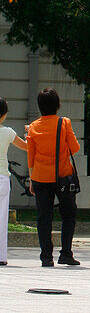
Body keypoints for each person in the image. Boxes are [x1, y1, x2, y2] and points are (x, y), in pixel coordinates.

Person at [26, 88, 81, 267]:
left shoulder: (33, 127)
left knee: (44, 217)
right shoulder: (64, 123)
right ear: (57, 105)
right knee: (69, 214)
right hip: (62, 176)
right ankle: (65, 253)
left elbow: (30, 156)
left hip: (41, 177)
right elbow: (75, 148)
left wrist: (31, 179)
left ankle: (46, 256)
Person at [0, 97, 27, 266]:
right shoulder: (8, 132)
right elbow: (26, 147)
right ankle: (1, 256)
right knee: (2, 218)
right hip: (2, 178)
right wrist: (30, 134)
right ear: (3, 115)